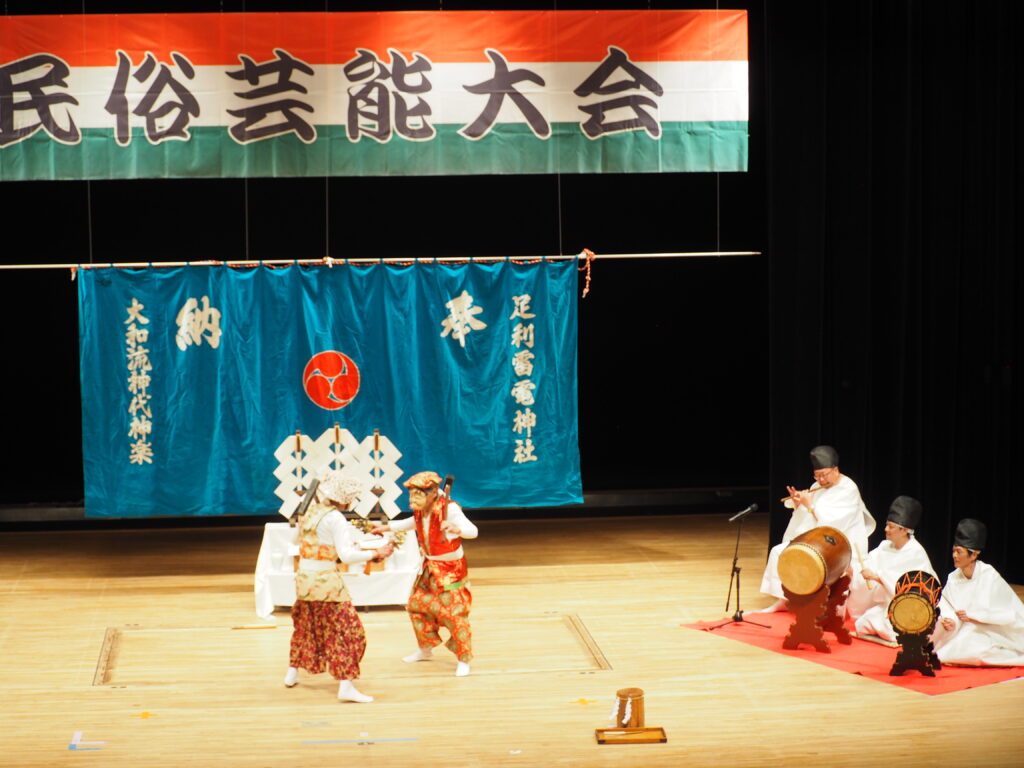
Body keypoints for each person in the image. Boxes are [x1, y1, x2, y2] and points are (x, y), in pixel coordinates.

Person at [284, 470, 395, 702]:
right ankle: (346, 686)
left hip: (304, 579)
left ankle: (292, 673)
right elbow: (345, 556)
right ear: (343, 497)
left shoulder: (310, 511)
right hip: (325, 582)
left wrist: (338, 545)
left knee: (306, 625)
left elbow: (296, 541)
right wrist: (376, 551)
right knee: (347, 632)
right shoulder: (335, 518)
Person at [373, 471, 478, 677]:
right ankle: (425, 649)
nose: (413, 500)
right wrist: (385, 527)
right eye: (411, 495)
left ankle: (463, 658)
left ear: (431, 493)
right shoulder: (422, 510)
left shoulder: (451, 509)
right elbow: (409, 523)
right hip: (430, 566)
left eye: (417, 495)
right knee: (417, 605)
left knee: (454, 614)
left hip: (450, 570)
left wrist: (456, 528)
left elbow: (472, 531)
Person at [757, 445, 876, 611]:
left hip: (839, 543)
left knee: (809, 558)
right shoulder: (816, 487)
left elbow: (833, 524)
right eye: (817, 475)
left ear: (836, 470)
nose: (820, 480)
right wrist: (800, 505)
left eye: (824, 475)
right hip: (818, 539)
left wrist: (810, 505)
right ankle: (784, 600)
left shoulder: (848, 489)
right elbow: (809, 517)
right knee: (779, 551)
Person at [930, 519, 1024, 666]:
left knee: (974, 650)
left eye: (959, 552)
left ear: (973, 555)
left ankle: (1012, 654)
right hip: (966, 628)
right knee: (945, 649)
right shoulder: (953, 577)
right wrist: (949, 620)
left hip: (994, 628)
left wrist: (973, 616)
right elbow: (947, 607)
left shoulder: (989, 575)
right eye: (954, 550)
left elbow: (1002, 613)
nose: (954, 555)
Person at [846, 495, 936, 641]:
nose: (886, 529)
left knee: (894, 633)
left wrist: (878, 577)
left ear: (904, 530)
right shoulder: (884, 546)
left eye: (891, 526)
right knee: (862, 624)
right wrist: (853, 571)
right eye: (887, 525)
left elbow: (914, 587)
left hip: (907, 609)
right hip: (886, 605)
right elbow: (868, 565)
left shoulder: (915, 553)